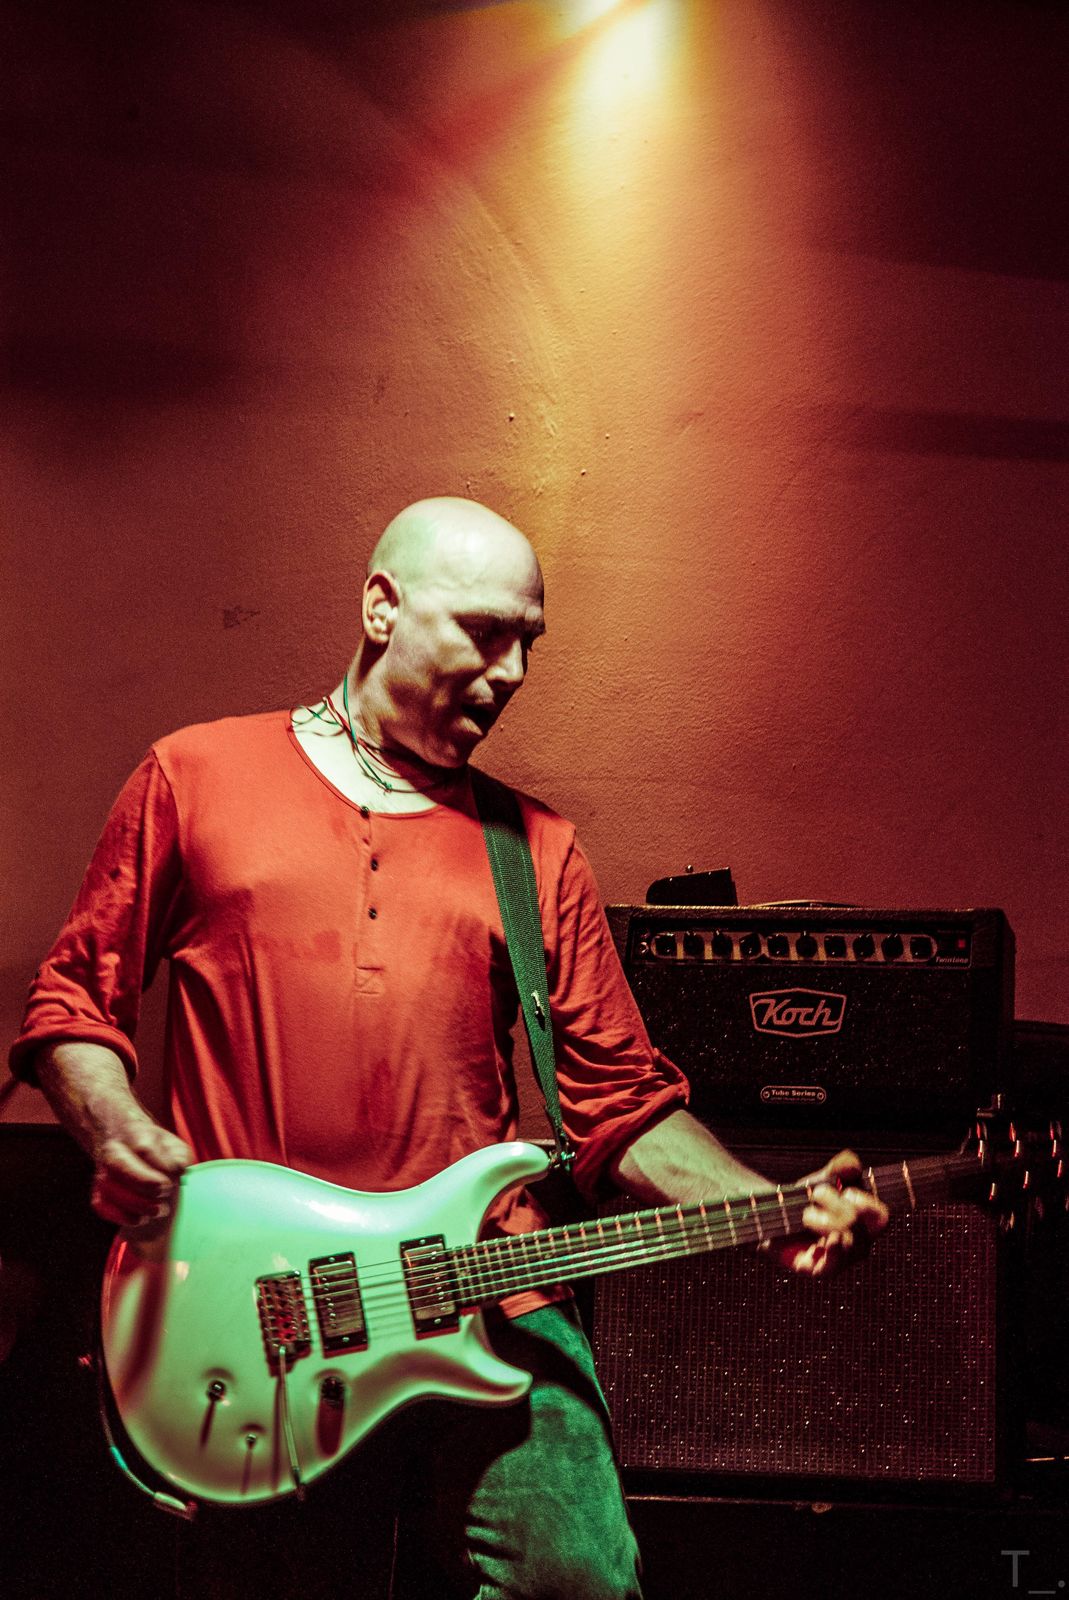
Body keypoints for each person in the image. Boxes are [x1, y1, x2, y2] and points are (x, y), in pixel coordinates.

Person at [9, 496, 887, 1599]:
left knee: (575, 1577)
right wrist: (112, 1126)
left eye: (528, 643)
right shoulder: (195, 775)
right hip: (258, 1300)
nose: (510, 670)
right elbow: (72, 1002)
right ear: (382, 607)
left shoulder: (537, 850)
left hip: (486, 1284)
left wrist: (770, 1207)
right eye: (483, 631)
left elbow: (621, 1106)